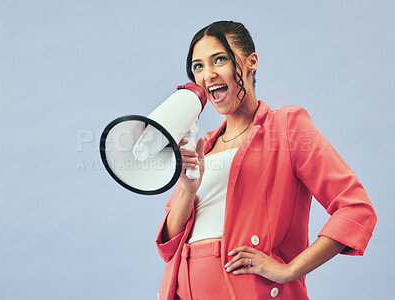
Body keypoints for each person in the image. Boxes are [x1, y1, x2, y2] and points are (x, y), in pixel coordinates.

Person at [155, 20, 377, 300]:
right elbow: (169, 246)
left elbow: (356, 209)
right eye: (198, 66)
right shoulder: (202, 146)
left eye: (219, 59)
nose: (207, 74)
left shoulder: (286, 127)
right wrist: (188, 190)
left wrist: (290, 270)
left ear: (251, 62)